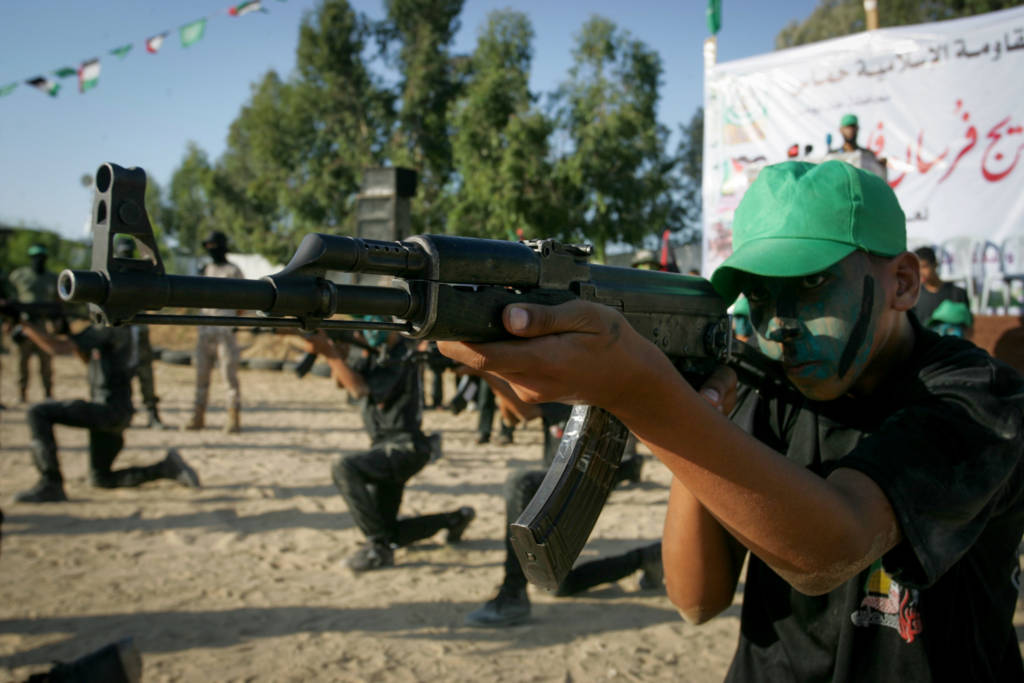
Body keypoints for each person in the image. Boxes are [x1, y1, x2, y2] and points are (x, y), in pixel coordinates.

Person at [439, 160, 1024, 679]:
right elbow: (696, 598)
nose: (779, 326)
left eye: (812, 284)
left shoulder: (977, 399)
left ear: (901, 282)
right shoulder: (766, 382)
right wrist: (697, 410)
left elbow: (831, 550)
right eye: (762, 296)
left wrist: (648, 396)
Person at [463, 377, 647, 627]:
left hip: (578, 487)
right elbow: (512, 416)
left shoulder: (575, 380)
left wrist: (486, 372)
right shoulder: (555, 379)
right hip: (556, 488)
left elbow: (525, 412)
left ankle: (513, 593)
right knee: (560, 585)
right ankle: (646, 557)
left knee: (521, 483)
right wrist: (498, 376)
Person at [299, 328, 475, 572]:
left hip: (404, 447)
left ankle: (376, 549)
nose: (364, 333)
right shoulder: (375, 354)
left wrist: (330, 353)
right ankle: (455, 518)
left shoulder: (401, 354)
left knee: (345, 467)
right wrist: (339, 352)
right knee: (388, 531)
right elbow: (344, 383)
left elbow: (360, 389)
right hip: (385, 448)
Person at [12, 318, 200, 503]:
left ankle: (50, 484)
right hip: (117, 412)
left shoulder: (111, 326)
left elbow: (57, 349)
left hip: (107, 411)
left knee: (38, 412)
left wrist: (27, 328)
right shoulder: (127, 327)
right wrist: (69, 334)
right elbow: (88, 358)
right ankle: (166, 468)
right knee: (101, 479)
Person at [184, 231, 243, 433]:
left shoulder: (234, 270)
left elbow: (244, 303)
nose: (211, 250)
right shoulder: (205, 269)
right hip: (205, 332)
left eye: (213, 245)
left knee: (229, 377)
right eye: (208, 246)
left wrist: (235, 323)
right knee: (201, 377)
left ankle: (233, 417)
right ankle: (198, 416)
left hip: (225, 332)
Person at [113, 237, 169, 429]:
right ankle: (122, 415)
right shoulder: (111, 273)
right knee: (120, 378)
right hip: (119, 332)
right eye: (124, 253)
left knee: (146, 376)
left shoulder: (140, 272)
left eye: (129, 252)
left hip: (139, 330)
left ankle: (153, 415)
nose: (127, 257)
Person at [7, 244, 59, 403]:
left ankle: (48, 394)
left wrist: (57, 322)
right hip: (24, 323)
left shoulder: (52, 278)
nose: (38, 260)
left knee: (46, 362)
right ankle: (22, 394)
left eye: (41, 257)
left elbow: (58, 303)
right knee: (21, 362)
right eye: (35, 257)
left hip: (43, 325)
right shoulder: (19, 276)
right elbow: (9, 299)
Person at [912, 245, 970, 326]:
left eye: (924, 266)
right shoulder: (914, 297)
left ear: (935, 265)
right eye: (916, 268)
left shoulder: (958, 293)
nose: (920, 272)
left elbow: (967, 326)